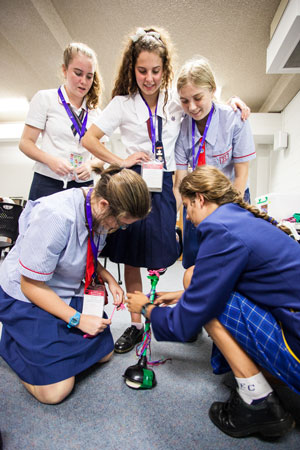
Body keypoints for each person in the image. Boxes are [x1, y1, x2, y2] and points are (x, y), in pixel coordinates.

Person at [82, 26, 250, 354]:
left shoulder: (175, 99)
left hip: (165, 186)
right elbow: (88, 139)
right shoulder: (122, 103)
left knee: (160, 258)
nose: (149, 78)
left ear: (165, 69)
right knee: (131, 259)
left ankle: (160, 311)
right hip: (132, 183)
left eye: (156, 71)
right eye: (142, 70)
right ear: (133, 68)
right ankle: (135, 324)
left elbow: (203, 100)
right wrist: (120, 160)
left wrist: (232, 102)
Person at [126, 165, 300, 439]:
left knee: (205, 298)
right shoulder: (240, 219)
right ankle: (264, 374)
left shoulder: (220, 231)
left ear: (200, 198)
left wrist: (145, 309)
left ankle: (258, 401)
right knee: (193, 279)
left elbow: (184, 324)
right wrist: (182, 296)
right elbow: (244, 278)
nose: (188, 216)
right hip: (292, 316)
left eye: (186, 206)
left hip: (296, 347)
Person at [0, 166, 151, 404]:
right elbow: (30, 285)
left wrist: (109, 278)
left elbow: (81, 252)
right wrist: (78, 320)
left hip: (62, 287)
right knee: (55, 392)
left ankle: (39, 344)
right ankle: (12, 340)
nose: (120, 228)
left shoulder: (96, 204)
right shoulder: (56, 216)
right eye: (121, 223)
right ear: (103, 205)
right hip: (28, 294)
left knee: (104, 353)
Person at [173, 56, 256, 269]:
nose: (191, 107)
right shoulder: (182, 128)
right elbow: (180, 182)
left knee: (227, 260)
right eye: (184, 100)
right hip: (198, 198)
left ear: (212, 90)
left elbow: (241, 175)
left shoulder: (235, 119)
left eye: (198, 97)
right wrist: (170, 221)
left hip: (232, 195)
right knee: (194, 259)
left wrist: (225, 215)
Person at [19, 42, 105, 201]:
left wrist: (91, 166)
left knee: (80, 226)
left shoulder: (95, 112)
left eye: (89, 76)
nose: (84, 81)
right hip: (48, 182)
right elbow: (25, 142)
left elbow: (101, 154)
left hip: (82, 186)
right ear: (64, 70)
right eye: (78, 73)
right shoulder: (45, 99)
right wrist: (50, 160)